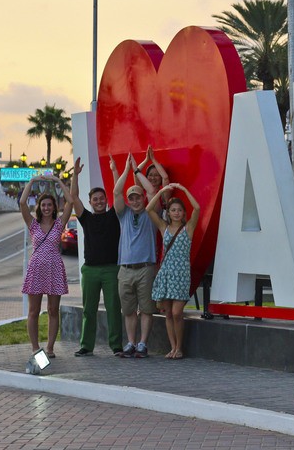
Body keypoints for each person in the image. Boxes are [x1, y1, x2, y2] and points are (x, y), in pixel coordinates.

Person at [71, 157, 124, 357]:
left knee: (113, 308)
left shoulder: (114, 216)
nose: (99, 201)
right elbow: (73, 196)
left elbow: (118, 192)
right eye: (95, 199)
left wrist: (114, 170)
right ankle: (86, 346)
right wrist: (75, 175)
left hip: (111, 270)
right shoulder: (86, 218)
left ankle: (116, 346)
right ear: (90, 202)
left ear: (106, 200)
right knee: (88, 310)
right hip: (90, 270)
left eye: (102, 198)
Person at [19, 175, 74, 358]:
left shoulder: (59, 224)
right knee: (33, 311)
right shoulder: (33, 224)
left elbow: (70, 201)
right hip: (36, 268)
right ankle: (35, 348)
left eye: (50, 205)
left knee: (53, 310)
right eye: (43, 205)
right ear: (39, 207)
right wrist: (32, 182)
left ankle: (50, 348)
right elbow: (22, 203)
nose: (47, 208)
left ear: (54, 207)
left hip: (54, 268)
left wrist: (59, 182)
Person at [145, 183, 200, 359]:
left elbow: (197, 208)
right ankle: (173, 347)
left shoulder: (188, 228)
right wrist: (161, 191)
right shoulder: (164, 228)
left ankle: (179, 347)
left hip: (181, 276)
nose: (176, 213)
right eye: (173, 210)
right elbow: (149, 209)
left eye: (179, 210)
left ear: (183, 213)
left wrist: (184, 190)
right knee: (168, 313)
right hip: (167, 274)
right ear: (168, 213)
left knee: (177, 313)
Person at [114, 153, 158, 358]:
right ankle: (131, 343)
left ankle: (142, 344)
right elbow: (116, 191)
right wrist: (125, 170)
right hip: (125, 269)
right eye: (131, 198)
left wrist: (137, 170)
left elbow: (152, 190)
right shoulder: (123, 214)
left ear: (143, 198)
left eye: (137, 197)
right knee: (128, 310)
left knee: (147, 309)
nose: (134, 200)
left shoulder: (151, 212)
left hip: (145, 268)